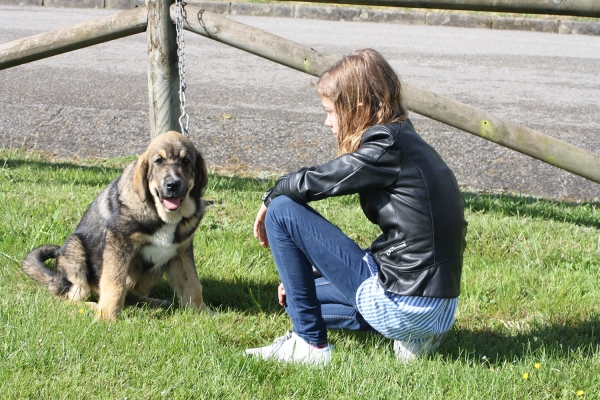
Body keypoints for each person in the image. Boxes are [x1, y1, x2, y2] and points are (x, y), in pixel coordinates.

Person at [245, 48, 468, 365]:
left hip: (407, 302)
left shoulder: (384, 147)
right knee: (297, 296)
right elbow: (409, 246)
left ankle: (309, 346)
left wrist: (271, 194)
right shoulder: (404, 140)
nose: (327, 122)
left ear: (359, 108)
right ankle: (415, 336)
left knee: (283, 209)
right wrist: (305, 278)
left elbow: (317, 182)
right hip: (435, 309)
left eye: (331, 112)